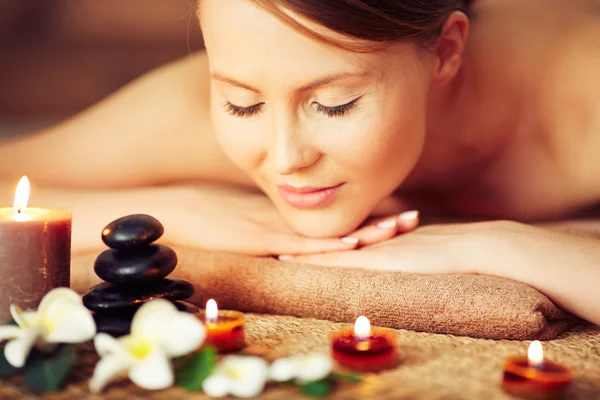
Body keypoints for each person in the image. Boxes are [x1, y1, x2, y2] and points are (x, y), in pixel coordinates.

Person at [1, 0, 599, 325]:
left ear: (445, 51)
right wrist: (178, 211)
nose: (286, 157)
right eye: (241, 103)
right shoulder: (188, 111)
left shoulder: (581, 94)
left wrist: (496, 246)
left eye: (334, 105)